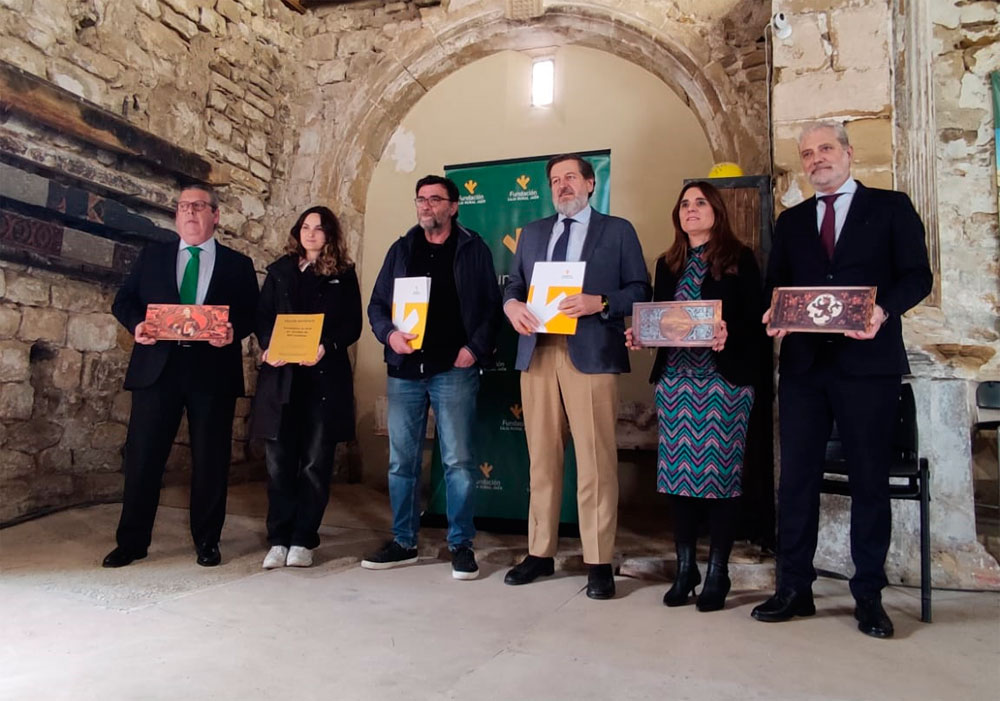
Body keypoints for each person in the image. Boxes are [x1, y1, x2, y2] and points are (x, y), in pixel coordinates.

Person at [752, 121, 932, 638]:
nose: (816, 160)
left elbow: (918, 275)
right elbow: (776, 287)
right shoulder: (792, 222)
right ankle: (794, 587)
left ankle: (869, 595)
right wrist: (775, 315)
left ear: (849, 155)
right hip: (805, 369)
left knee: (869, 481)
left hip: (868, 367)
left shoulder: (892, 207)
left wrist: (883, 312)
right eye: (807, 154)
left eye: (825, 149)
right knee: (797, 480)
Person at [502, 153, 650, 599]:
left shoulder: (617, 230)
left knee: (596, 461)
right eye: (555, 180)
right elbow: (513, 284)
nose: (562, 185)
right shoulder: (533, 233)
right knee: (542, 458)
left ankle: (599, 560)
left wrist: (599, 302)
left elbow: (640, 290)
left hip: (592, 352)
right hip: (539, 351)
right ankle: (539, 552)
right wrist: (511, 305)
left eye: (571, 177)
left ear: (590, 183)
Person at [103, 184, 259, 568]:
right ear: (176, 215)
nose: (190, 213)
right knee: (143, 459)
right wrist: (138, 325)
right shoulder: (152, 257)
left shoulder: (237, 264)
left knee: (211, 461)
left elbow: (253, 313)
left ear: (215, 215)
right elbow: (123, 300)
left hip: (212, 373)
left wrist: (232, 331)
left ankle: (207, 541)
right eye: (184, 207)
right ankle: (132, 542)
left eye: (199, 206)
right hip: (158, 371)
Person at [625, 181, 764, 612]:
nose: (691, 210)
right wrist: (641, 334)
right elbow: (663, 320)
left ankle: (718, 571)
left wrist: (729, 332)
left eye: (700, 203)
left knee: (721, 479)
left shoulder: (739, 258)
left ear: (716, 211)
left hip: (724, 383)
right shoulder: (667, 263)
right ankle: (685, 569)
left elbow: (754, 320)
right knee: (677, 479)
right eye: (684, 203)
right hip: (677, 382)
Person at [364, 175, 501, 580]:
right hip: (405, 372)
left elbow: (492, 309)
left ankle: (461, 544)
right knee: (400, 463)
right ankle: (404, 541)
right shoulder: (401, 248)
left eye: (436, 199)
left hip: (453, 370)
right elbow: (376, 306)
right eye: (421, 199)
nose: (426, 206)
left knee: (458, 461)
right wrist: (389, 335)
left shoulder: (474, 248)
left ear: (454, 206)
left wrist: (472, 350)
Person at [250, 206, 362, 569]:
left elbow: (352, 325)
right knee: (279, 463)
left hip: (322, 380)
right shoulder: (280, 271)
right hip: (281, 378)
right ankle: (278, 539)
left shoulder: (343, 274)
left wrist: (325, 347)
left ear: (330, 234)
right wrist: (268, 345)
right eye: (306, 227)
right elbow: (262, 316)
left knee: (315, 462)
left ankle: (303, 539)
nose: (311, 233)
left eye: (319, 228)